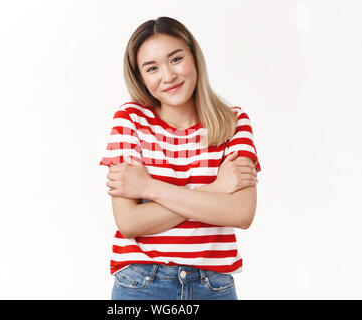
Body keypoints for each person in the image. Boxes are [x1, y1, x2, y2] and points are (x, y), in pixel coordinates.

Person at [99, 16, 261, 300]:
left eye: (175, 59)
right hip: (142, 283)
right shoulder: (130, 120)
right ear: (141, 77)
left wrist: (149, 188)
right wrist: (213, 190)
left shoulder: (233, 122)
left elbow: (240, 213)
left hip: (215, 286)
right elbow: (129, 223)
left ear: (194, 57)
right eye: (152, 68)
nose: (168, 76)